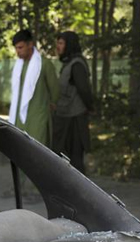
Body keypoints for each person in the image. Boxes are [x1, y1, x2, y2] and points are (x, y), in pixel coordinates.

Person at [9, 29, 59, 147]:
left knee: (38, 153)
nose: (17, 51)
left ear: (30, 44)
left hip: (38, 120)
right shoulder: (18, 66)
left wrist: (49, 107)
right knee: (20, 153)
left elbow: (55, 92)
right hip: (18, 119)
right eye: (16, 48)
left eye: (20, 48)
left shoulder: (44, 64)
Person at [53, 31, 94, 173]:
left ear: (69, 45)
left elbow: (84, 90)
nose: (58, 47)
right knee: (62, 156)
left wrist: (90, 107)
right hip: (64, 117)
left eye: (61, 43)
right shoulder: (68, 63)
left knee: (75, 159)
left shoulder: (77, 65)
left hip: (75, 119)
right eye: (57, 43)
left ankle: (78, 192)